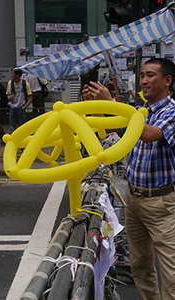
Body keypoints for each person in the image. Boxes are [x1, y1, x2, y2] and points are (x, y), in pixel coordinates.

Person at [83, 58, 175, 300]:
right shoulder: (139, 112)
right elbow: (116, 133)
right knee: (141, 268)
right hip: (133, 200)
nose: (143, 80)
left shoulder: (171, 111)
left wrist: (112, 103)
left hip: (162, 203)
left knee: (171, 274)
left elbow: (146, 134)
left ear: (168, 81)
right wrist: (97, 106)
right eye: (142, 75)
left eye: (150, 75)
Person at [6, 68, 33, 133]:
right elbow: (7, 95)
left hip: (21, 108)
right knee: (12, 126)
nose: (11, 75)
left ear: (17, 75)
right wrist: (9, 97)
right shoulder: (10, 83)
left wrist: (24, 107)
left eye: (12, 73)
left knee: (22, 126)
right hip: (12, 107)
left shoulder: (25, 83)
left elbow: (30, 98)